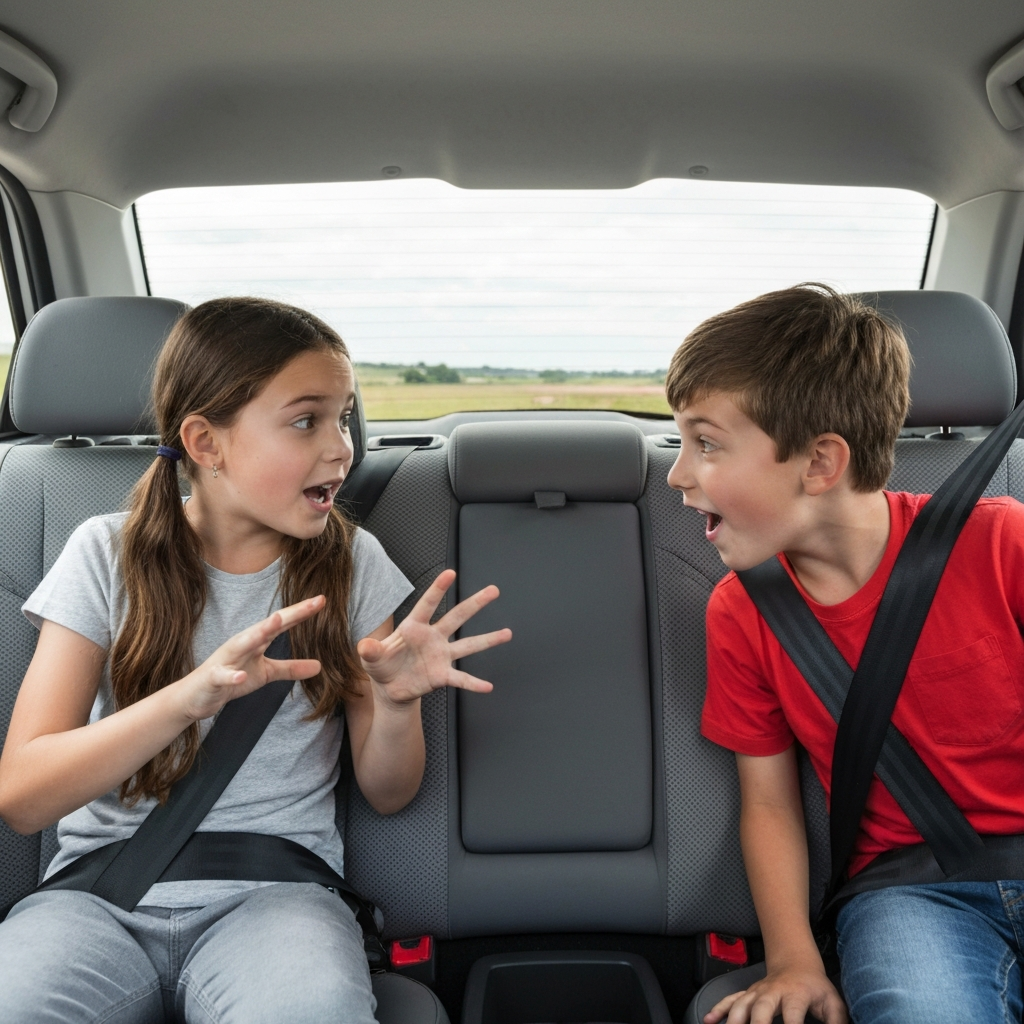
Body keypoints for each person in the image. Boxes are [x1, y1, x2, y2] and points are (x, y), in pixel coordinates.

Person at [0, 296, 511, 1023]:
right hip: (95, 898)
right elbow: (22, 796)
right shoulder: (101, 555)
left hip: (276, 901)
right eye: (307, 420)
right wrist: (188, 698)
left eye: (342, 417)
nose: (342, 448)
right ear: (207, 443)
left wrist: (398, 704)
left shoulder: (351, 565)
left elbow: (390, 792)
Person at [665, 284, 1024, 1024]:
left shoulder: (1001, 543)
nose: (676, 474)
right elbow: (767, 803)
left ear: (820, 463)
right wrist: (796, 958)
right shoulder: (742, 613)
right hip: (912, 891)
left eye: (705, 443)